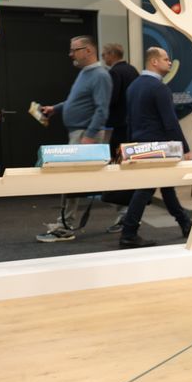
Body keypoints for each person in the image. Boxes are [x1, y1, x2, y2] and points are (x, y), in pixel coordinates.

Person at [35, 35, 112, 243]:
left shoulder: (100, 75)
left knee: (71, 179)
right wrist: (56, 108)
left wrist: (89, 136)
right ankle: (66, 221)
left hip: (85, 134)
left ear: (88, 51)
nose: (71, 54)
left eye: (74, 50)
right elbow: (75, 101)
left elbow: (102, 110)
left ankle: (65, 225)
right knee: (73, 179)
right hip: (79, 133)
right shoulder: (86, 73)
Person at [118, 47, 192, 248]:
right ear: (154, 62)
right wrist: (184, 148)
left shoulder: (134, 86)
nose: (169, 62)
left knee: (166, 186)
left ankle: (185, 223)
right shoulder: (159, 88)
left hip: (139, 145)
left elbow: (130, 120)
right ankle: (128, 233)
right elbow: (170, 122)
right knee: (146, 189)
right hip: (158, 147)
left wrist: (130, 147)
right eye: (166, 59)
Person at [101, 42, 140, 232]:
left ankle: (124, 214)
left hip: (119, 128)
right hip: (133, 127)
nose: (103, 58)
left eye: (104, 55)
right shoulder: (133, 71)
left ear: (111, 54)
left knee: (118, 168)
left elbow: (111, 99)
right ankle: (130, 212)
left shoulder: (115, 73)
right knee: (130, 168)